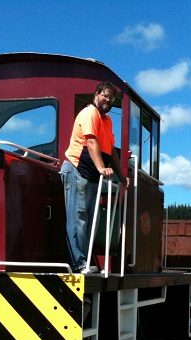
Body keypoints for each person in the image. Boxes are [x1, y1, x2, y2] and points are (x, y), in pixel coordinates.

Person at [61, 81, 121, 273]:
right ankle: (77, 263)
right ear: (96, 94)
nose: (108, 100)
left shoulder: (108, 120)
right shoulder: (89, 113)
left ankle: (84, 262)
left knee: (89, 219)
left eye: (111, 98)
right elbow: (91, 142)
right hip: (78, 169)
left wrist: (122, 175)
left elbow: (111, 149)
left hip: (92, 174)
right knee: (78, 217)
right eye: (106, 95)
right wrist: (103, 168)